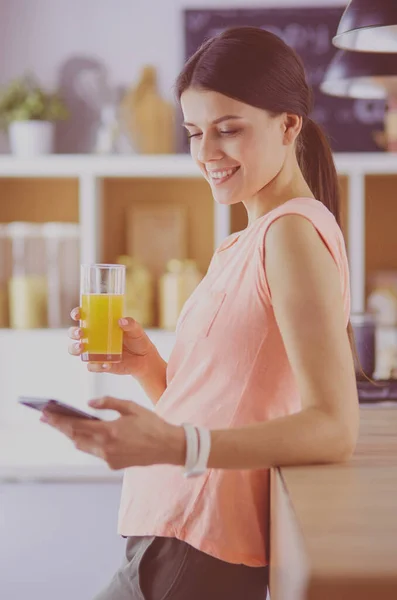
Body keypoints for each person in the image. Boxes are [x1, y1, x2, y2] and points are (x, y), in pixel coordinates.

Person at [42, 26, 359, 600]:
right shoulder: (248, 238)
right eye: (194, 133)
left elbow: (334, 428)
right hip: (172, 532)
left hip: (199, 545)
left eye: (228, 130)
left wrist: (172, 446)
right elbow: (226, 407)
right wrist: (148, 367)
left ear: (289, 125)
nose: (207, 154)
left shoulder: (290, 235)